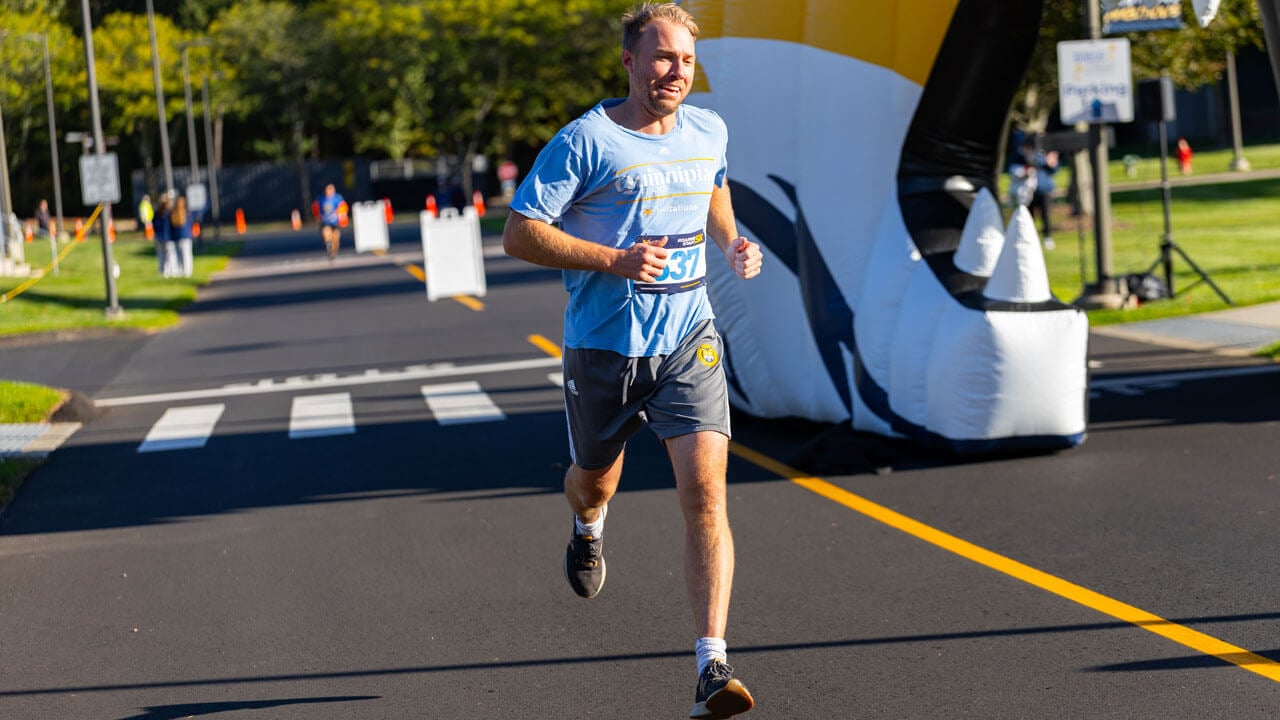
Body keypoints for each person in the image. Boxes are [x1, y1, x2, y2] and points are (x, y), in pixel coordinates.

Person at [502, 4, 762, 718]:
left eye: (685, 60)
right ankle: (588, 529)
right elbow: (519, 234)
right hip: (604, 348)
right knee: (594, 481)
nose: (675, 71)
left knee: (705, 493)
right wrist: (614, 260)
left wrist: (733, 242)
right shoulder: (584, 142)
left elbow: (712, 183)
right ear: (629, 61)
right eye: (661, 57)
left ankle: (713, 665)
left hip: (689, 341)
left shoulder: (709, 128)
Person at [1010, 135, 1059, 249]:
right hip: (1027, 192)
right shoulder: (1020, 154)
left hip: (1043, 189)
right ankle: (1029, 238)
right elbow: (1014, 168)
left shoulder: (1044, 153)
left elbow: (1052, 168)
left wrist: (1050, 162)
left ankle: (1047, 237)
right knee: (1029, 216)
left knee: (1045, 215)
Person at [316, 183, 347, 260]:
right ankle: (329, 245)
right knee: (326, 232)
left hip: (335, 222)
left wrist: (342, 218)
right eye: (327, 189)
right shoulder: (321, 199)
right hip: (325, 221)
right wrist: (318, 219)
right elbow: (316, 210)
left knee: (336, 237)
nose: (328, 191)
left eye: (330, 189)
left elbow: (343, 209)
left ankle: (334, 251)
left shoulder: (338, 198)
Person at [153, 194, 179, 277]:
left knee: (163, 256)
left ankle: (164, 271)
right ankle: (170, 271)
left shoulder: (158, 213)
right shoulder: (167, 213)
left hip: (160, 237)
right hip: (167, 237)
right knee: (170, 255)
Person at [171, 194, 194, 278]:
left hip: (177, 237)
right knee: (187, 255)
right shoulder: (186, 213)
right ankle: (187, 272)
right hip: (185, 237)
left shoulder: (174, 214)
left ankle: (181, 271)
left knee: (179, 256)